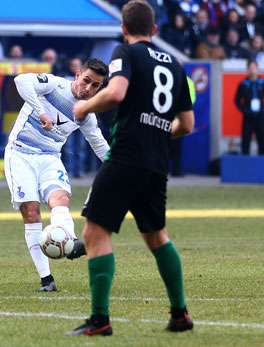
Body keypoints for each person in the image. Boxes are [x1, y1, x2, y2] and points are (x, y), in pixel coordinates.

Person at [69, 0, 195, 336]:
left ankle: (100, 320)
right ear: (154, 29)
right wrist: (158, 130)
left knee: (95, 233)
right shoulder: (175, 64)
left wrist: (85, 107)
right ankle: (180, 314)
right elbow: (187, 124)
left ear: (124, 30)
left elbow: (116, 92)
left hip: (125, 155)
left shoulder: (124, 53)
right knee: (156, 236)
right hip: (156, 161)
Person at [5, 58, 110, 292]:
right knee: (31, 211)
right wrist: (41, 112)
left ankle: (69, 244)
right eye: (86, 81)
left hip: (50, 157)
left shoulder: (86, 114)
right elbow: (21, 80)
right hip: (20, 154)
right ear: (77, 75)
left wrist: (121, 166)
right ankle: (46, 279)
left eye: (95, 86)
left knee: (60, 199)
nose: (88, 88)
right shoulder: (54, 85)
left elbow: (99, 145)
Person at [234, 59, 264, 155]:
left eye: (254, 68)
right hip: (248, 117)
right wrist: (244, 110)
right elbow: (237, 100)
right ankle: (245, 164)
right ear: (247, 70)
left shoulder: (262, 83)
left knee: (262, 141)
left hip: (260, 116)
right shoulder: (243, 84)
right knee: (245, 141)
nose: (252, 70)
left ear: (257, 69)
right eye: (250, 68)